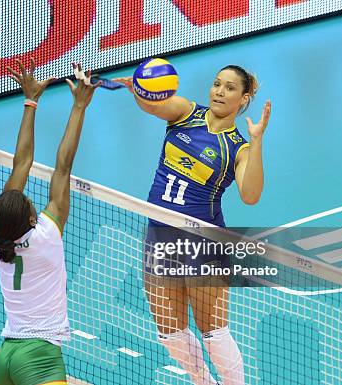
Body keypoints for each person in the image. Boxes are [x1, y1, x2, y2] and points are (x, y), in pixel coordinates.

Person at [113, 65, 271, 385]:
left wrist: (256, 143)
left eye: (229, 88)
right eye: (216, 84)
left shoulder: (237, 148)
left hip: (202, 239)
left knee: (211, 329)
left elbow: (251, 195)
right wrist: (141, 91)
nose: (219, 92)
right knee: (169, 330)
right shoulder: (187, 113)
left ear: (244, 98)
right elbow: (156, 106)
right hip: (160, 232)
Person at [0, 62, 99, 385]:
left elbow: (21, 163)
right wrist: (79, 106)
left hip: (7, 356)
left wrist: (30, 102)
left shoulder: (0, 239)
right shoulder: (46, 235)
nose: (28, 198)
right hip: (38, 359)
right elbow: (62, 167)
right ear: (32, 217)